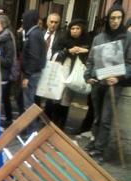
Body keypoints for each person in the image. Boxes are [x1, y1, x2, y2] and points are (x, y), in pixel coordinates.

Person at [84, 5, 131, 163]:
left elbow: (130, 63)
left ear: (122, 19)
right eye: (112, 18)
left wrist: (119, 77)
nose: (115, 21)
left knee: (105, 118)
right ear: (108, 19)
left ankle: (99, 149)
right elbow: (90, 60)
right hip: (98, 82)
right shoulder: (99, 38)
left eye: (118, 18)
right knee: (97, 116)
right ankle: (93, 142)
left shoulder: (127, 38)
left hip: (114, 84)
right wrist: (87, 76)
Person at [49, 19, 90, 130]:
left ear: (82, 30)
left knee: (66, 100)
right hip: (62, 72)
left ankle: (61, 126)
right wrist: (68, 51)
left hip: (74, 75)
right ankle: (53, 123)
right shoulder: (63, 40)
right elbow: (55, 54)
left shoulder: (86, 42)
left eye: (77, 28)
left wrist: (84, 51)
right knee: (57, 97)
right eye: (72, 28)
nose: (75, 31)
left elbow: (91, 56)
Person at [0, 15, 17, 127]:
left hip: (4, 75)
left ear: (3, 25)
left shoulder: (7, 40)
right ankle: (3, 119)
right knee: (1, 98)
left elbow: (8, 61)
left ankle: (8, 119)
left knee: (3, 98)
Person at [21, 9, 46, 112]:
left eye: (24, 19)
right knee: (27, 102)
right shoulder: (35, 33)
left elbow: (33, 56)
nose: (22, 22)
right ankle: (29, 127)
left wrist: (27, 76)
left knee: (28, 105)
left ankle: (31, 128)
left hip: (31, 74)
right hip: (32, 73)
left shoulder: (34, 34)